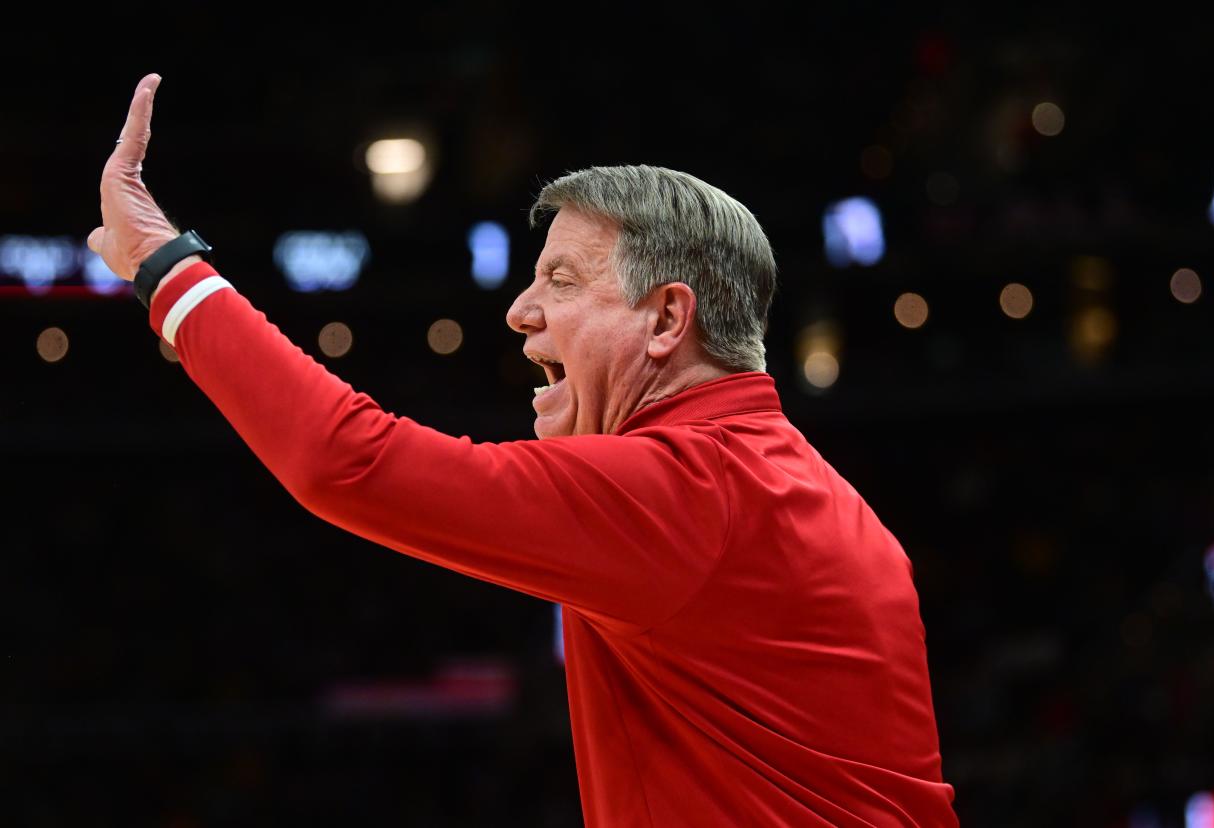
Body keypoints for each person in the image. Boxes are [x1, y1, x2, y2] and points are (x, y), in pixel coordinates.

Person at [90, 74, 958, 827]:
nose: (519, 310)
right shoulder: (833, 505)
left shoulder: (681, 488)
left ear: (666, 320)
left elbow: (345, 460)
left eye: (564, 281)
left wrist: (164, 269)